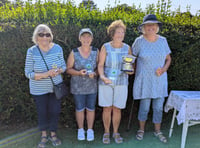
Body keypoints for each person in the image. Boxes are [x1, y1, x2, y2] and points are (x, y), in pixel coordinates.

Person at [132, 14, 172, 143]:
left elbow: (168, 59)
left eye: (153, 25)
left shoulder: (163, 41)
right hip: (144, 80)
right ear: (144, 27)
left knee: (158, 107)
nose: (151, 27)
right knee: (144, 107)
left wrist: (164, 69)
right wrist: (130, 69)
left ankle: (157, 131)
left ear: (157, 27)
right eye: (148, 25)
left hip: (159, 80)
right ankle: (141, 130)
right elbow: (131, 58)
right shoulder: (139, 41)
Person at [25, 24, 66, 148]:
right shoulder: (32, 51)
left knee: (55, 111)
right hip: (38, 89)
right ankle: (44, 135)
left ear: (50, 36)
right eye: (41, 34)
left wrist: (59, 71)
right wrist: (46, 74)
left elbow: (64, 66)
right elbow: (28, 73)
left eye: (47, 34)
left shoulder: (58, 48)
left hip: (55, 88)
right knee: (42, 112)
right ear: (36, 37)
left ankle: (53, 134)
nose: (44, 37)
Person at [98, 20, 133, 144]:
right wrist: (102, 76)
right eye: (118, 32)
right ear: (112, 33)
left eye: (122, 32)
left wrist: (130, 71)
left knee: (117, 109)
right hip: (106, 82)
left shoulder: (127, 48)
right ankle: (106, 132)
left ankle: (116, 132)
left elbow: (130, 67)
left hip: (122, 82)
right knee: (107, 108)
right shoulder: (105, 47)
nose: (120, 35)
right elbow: (100, 65)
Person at [66, 28, 98, 141]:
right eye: (83, 36)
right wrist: (79, 73)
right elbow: (68, 69)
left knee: (90, 108)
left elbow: (100, 68)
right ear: (79, 38)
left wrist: (95, 73)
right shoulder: (74, 52)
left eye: (88, 36)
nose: (86, 39)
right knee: (79, 108)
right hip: (78, 87)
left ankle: (90, 130)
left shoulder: (96, 51)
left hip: (92, 86)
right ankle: (80, 130)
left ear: (92, 38)